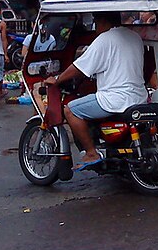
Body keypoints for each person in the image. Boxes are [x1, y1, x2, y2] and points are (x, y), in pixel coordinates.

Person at [44, 12, 148, 171]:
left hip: (114, 99)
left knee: (70, 110)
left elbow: (79, 67)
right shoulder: (134, 37)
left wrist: (57, 80)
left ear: (104, 20)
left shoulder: (105, 39)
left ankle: (92, 153)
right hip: (139, 97)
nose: (95, 27)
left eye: (96, 22)